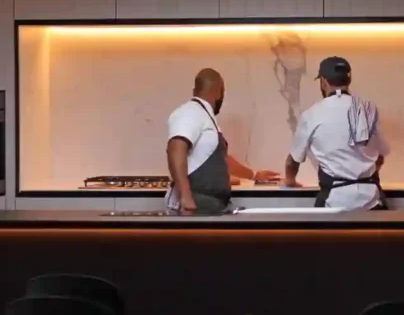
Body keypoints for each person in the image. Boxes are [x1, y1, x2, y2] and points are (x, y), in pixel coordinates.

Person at [166, 68, 279, 214]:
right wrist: (186, 196)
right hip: (194, 204)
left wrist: (255, 175)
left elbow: (223, 160)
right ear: (219, 91)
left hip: (212, 205)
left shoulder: (205, 117)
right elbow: (175, 149)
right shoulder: (190, 112)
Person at [283, 57, 389, 211]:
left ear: (323, 82)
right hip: (371, 200)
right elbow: (379, 157)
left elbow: (292, 161)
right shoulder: (368, 109)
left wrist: (289, 181)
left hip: (334, 201)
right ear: (349, 79)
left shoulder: (312, 114)